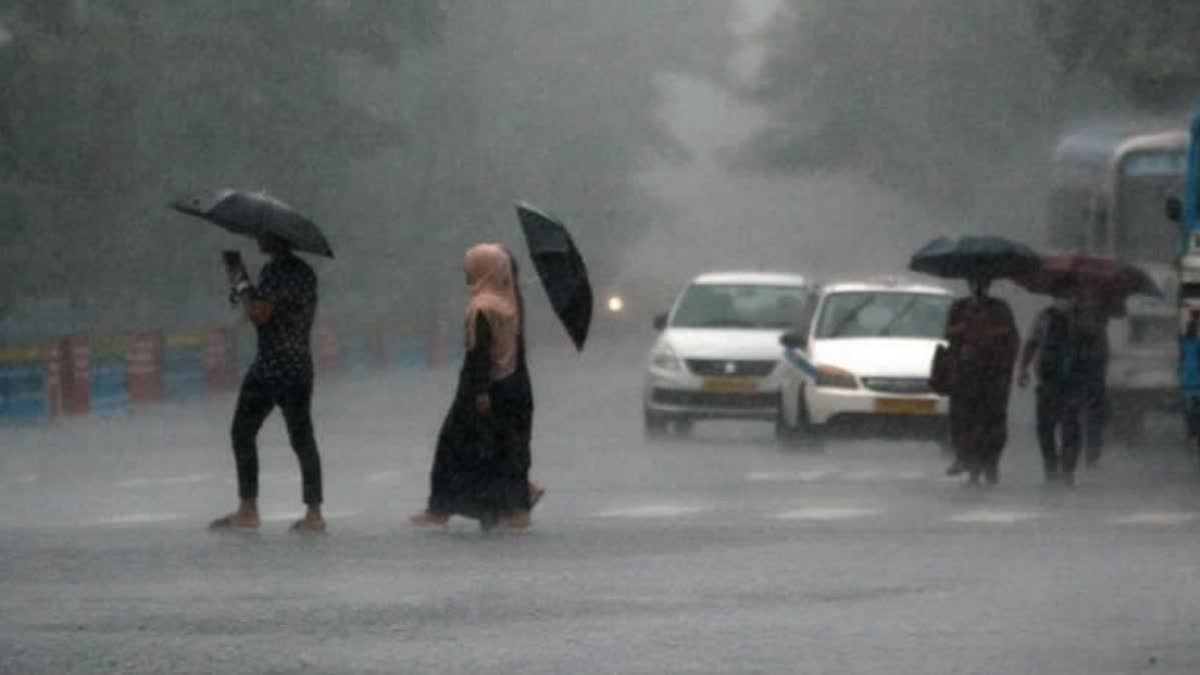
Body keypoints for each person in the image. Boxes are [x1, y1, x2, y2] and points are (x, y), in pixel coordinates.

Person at [410, 244, 536, 531]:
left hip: (484, 387)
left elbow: (479, 353)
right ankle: (515, 508)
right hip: (515, 384)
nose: (467, 273)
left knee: (454, 444)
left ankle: (442, 508)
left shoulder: (482, 307)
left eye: (471, 267)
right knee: (509, 448)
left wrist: (479, 391)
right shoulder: (511, 303)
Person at [210, 233, 325, 532]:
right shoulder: (305, 273)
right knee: (302, 438)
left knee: (242, 432)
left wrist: (241, 281)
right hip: (299, 365)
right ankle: (314, 513)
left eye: (263, 234)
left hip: (272, 366)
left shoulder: (275, 272)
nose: (258, 237)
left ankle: (248, 509)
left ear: (275, 239)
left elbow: (260, 314)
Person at [943, 277, 1019, 485]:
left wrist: (991, 335)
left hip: (994, 376)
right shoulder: (959, 307)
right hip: (965, 375)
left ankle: (990, 464)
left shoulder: (1000, 308)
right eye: (974, 283)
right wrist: (965, 328)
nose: (978, 288)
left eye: (981, 283)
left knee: (992, 422)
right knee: (963, 420)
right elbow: (948, 334)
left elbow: (1012, 339)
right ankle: (968, 462)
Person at [1018, 281, 1087, 485]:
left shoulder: (1082, 319)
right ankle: (1051, 466)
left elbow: (1092, 350)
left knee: (1070, 428)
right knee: (1045, 428)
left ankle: (1067, 469)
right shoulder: (1044, 317)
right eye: (1061, 296)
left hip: (1072, 383)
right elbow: (1031, 342)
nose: (1064, 300)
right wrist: (1023, 368)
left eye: (1068, 296)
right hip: (1047, 381)